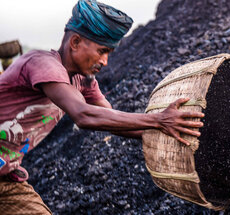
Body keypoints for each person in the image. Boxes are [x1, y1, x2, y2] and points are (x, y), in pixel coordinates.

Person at [0, 0, 204, 214]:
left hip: (7, 180)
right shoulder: (41, 63)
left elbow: (110, 120)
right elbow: (84, 115)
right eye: (101, 51)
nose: (105, 61)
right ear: (76, 42)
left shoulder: (84, 81)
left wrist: (178, 133)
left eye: (109, 53)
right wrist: (158, 120)